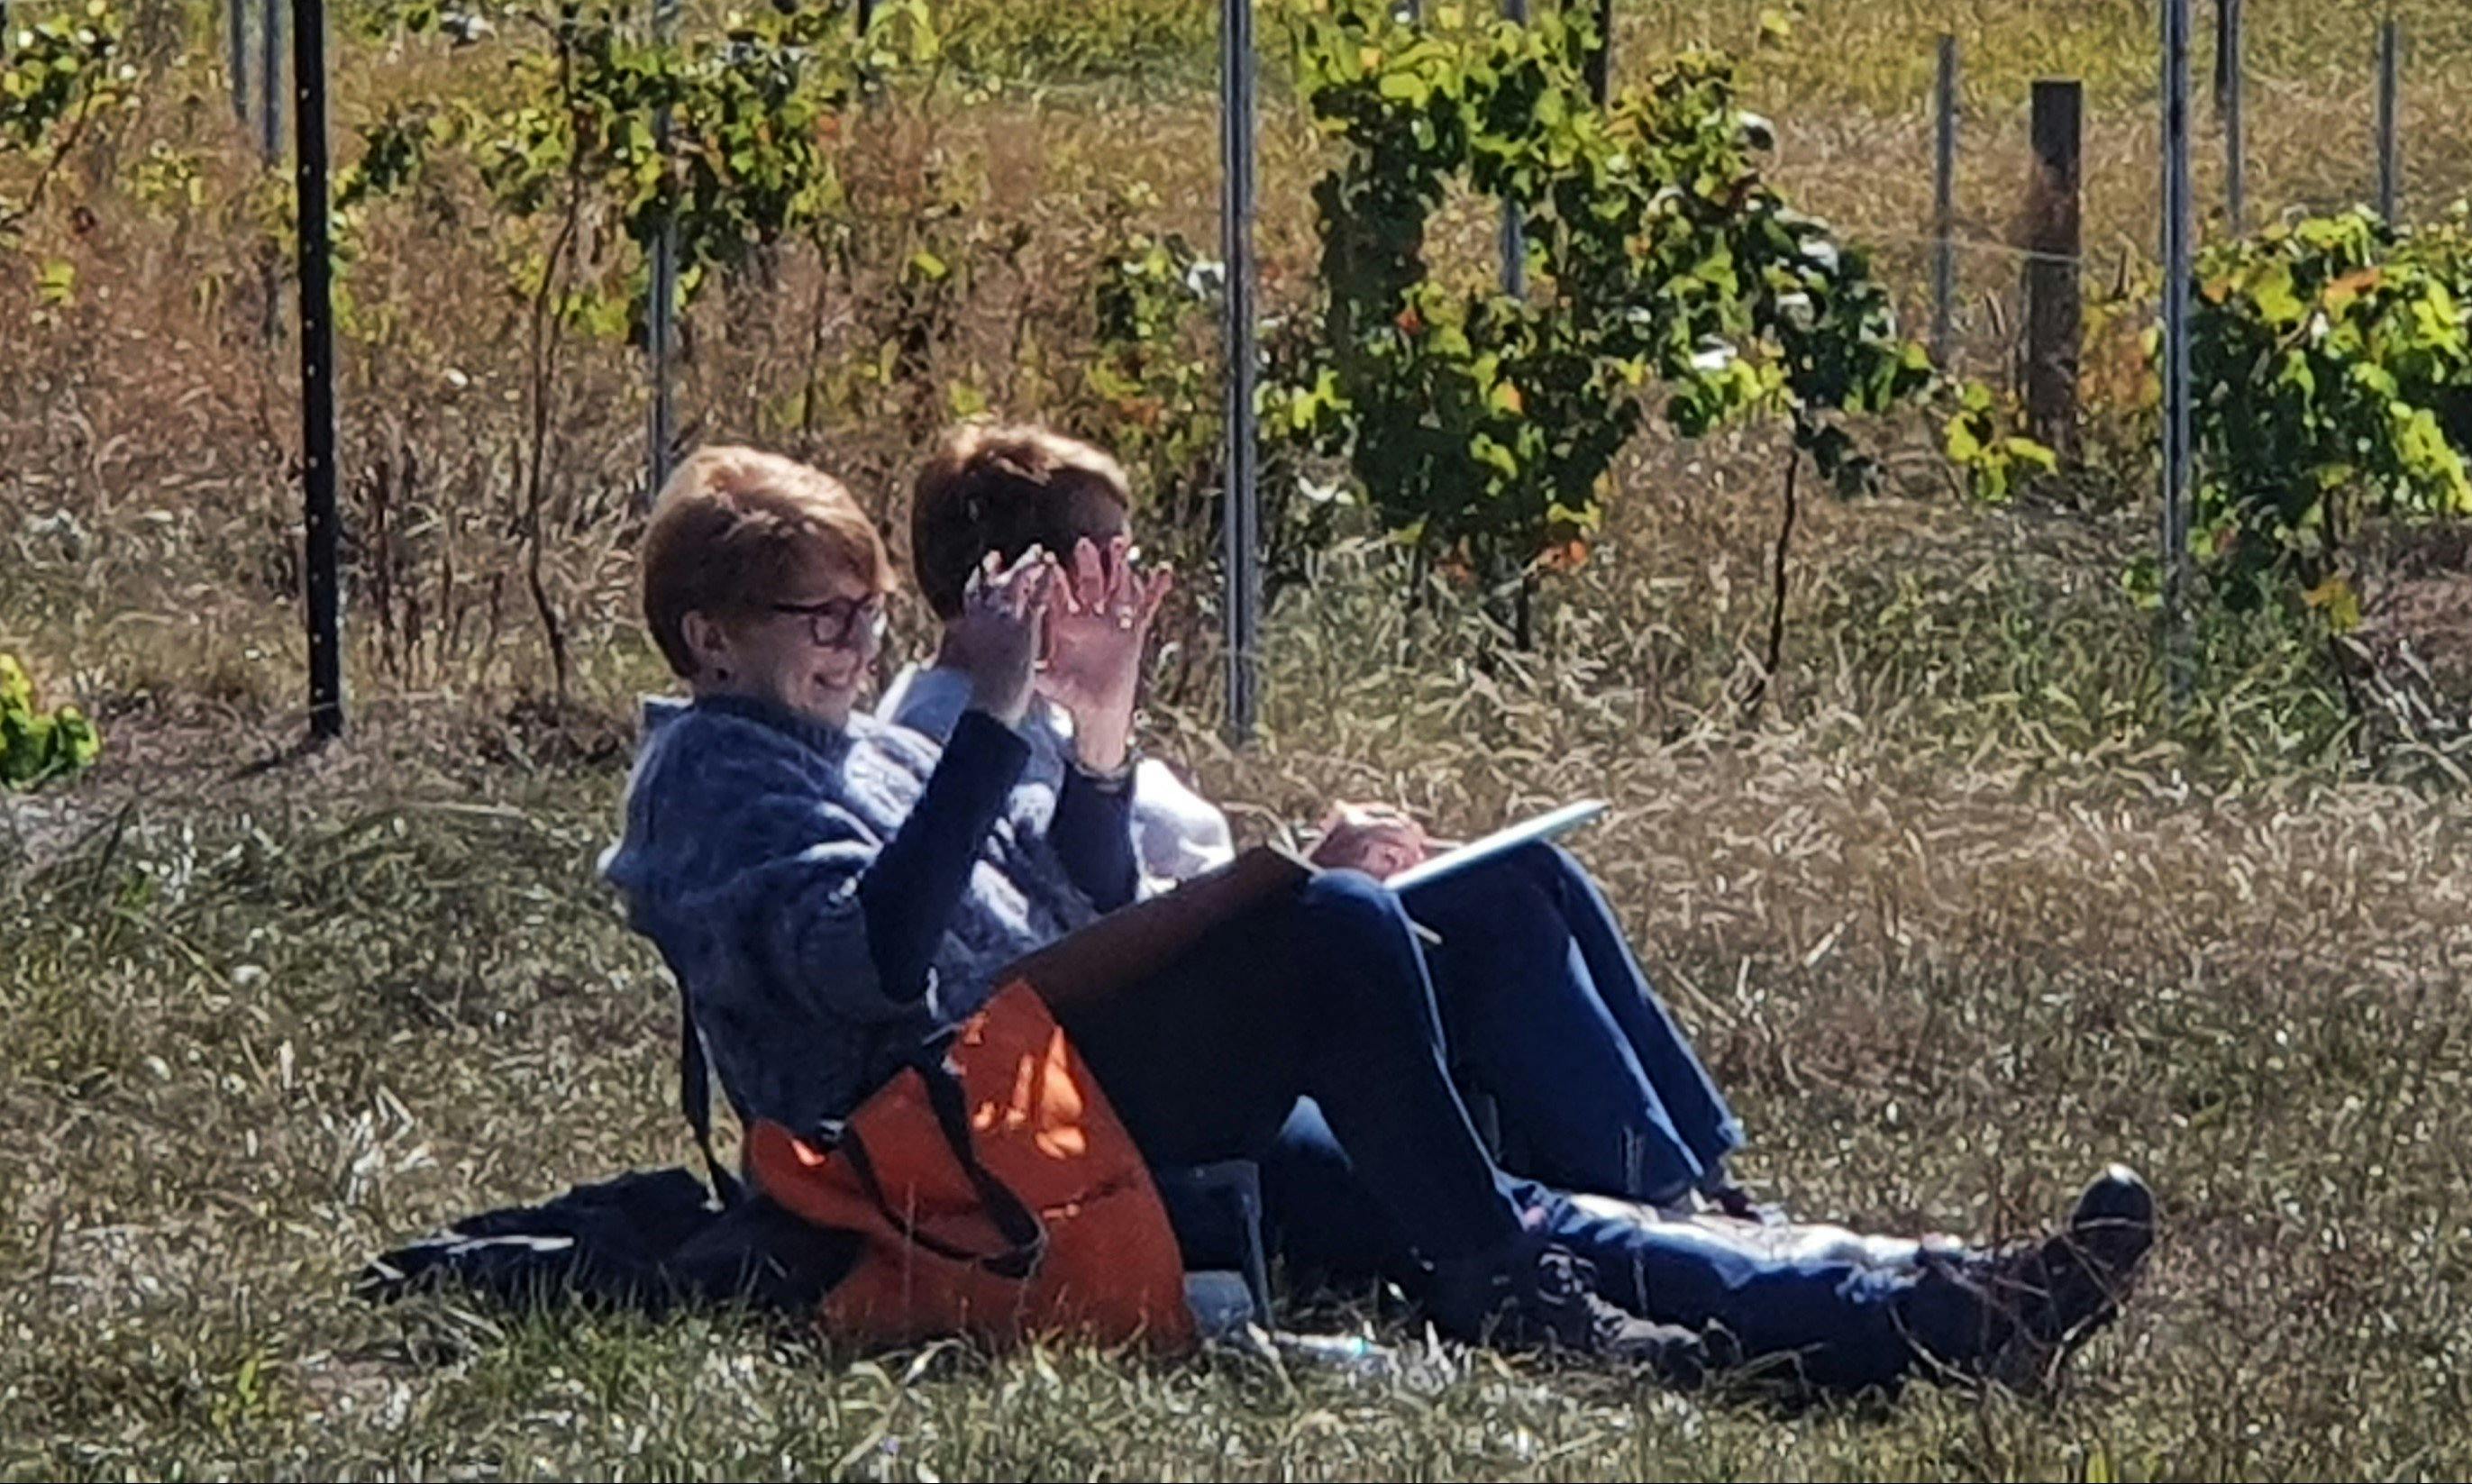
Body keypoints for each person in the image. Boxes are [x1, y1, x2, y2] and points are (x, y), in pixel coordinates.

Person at [604, 442, 2155, 1396]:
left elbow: (1071, 893)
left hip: (1044, 1105)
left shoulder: (850, 742)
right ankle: (1520, 1303)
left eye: (866, 607)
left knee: (1480, 1193)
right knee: (1333, 938)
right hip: (951, 1150)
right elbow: (871, 966)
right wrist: (1001, 724)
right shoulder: (713, 780)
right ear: (708, 635)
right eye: (823, 615)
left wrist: (1082, 731)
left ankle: (1937, 1301)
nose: (857, 639)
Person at [880, 423, 1750, 1225]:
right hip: (1173, 1015)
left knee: (1524, 874)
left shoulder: (1050, 710)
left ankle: (1703, 1175)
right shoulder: (954, 740)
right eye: (1110, 559)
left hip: (1217, 951)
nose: (1135, 588)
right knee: (1497, 916)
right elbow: (1079, 928)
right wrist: (1295, 869)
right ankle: (1657, 1197)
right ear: (1026, 579)